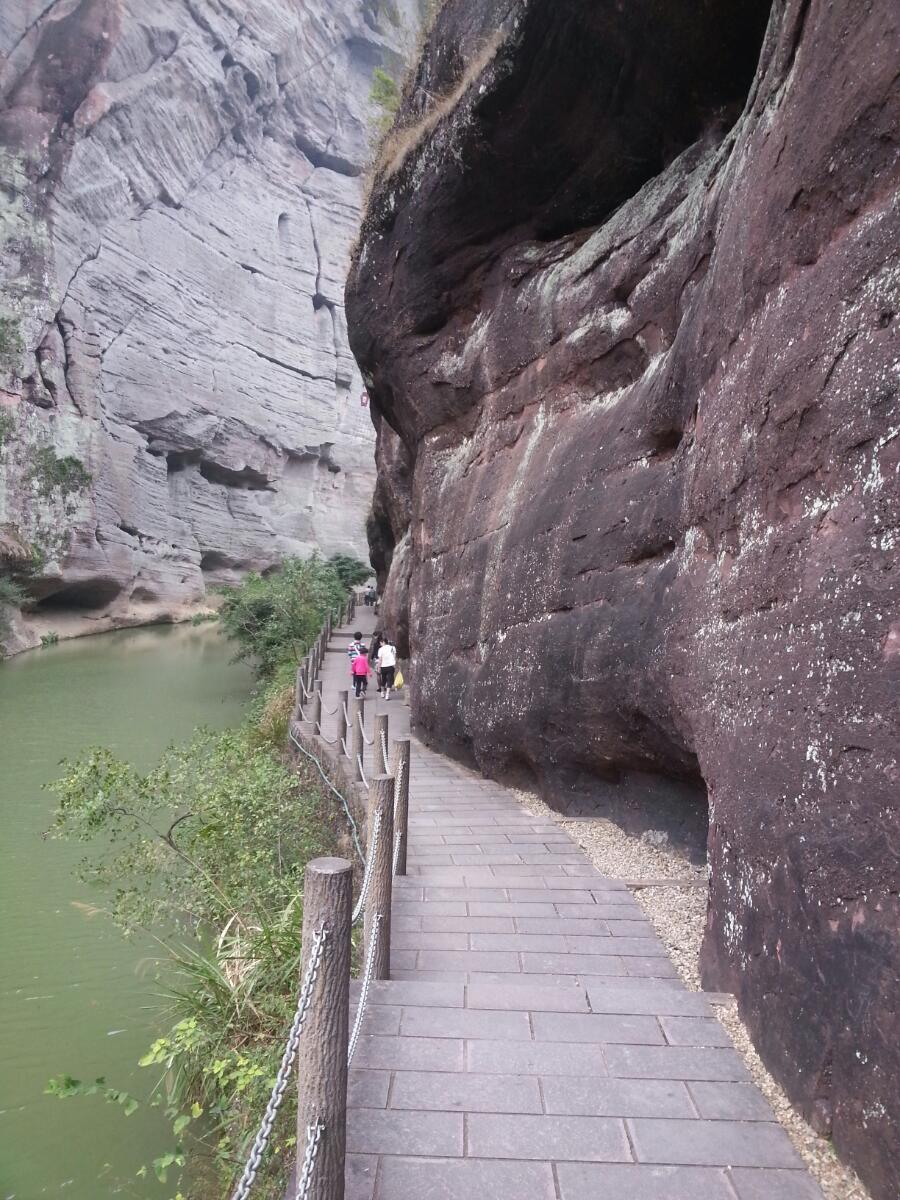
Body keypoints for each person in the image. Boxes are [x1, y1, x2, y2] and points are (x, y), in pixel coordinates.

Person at [376, 635, 398, 700]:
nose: (380, 644)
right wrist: (394, 664)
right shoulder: (393, 648)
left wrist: (379, 667)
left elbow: (380, 659)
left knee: (384, 679)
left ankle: (382, 692)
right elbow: (394, 657)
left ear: (383, 642)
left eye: (380, 643)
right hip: (391, 666)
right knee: (390, 680)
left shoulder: (380, 649)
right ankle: (387, 694)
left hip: (383, 666)